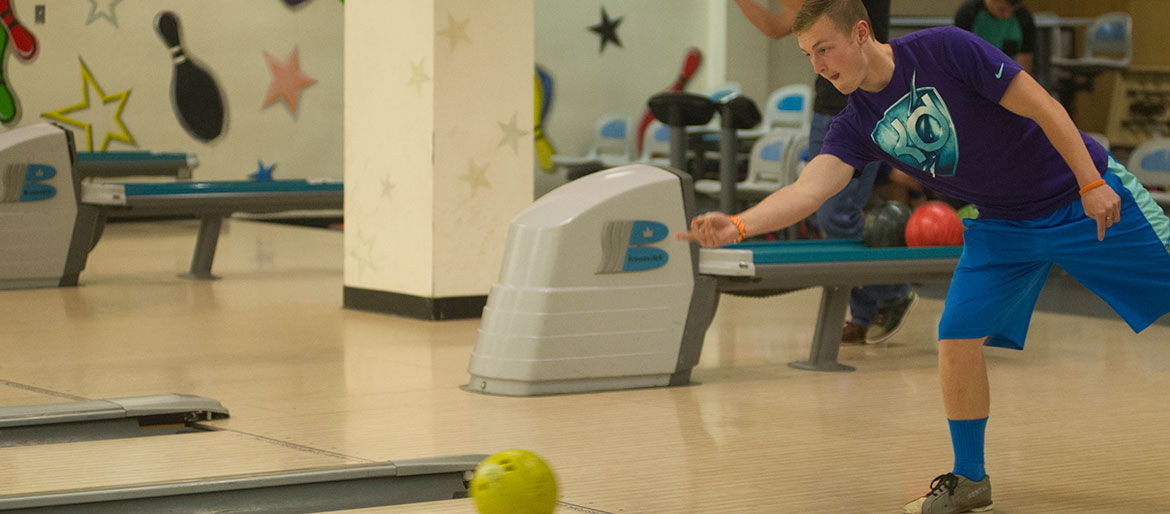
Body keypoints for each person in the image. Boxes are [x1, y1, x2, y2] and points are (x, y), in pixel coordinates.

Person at [678, 1, 1170, 512]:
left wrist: (1091, 182)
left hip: (1082, 199)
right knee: (956, 338)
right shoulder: (856, 123)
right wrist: (738, 224)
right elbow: (808, 192)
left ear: (862, 33)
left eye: (825, 48)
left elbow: (1044, 105)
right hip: (1004, 225)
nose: (818, 65)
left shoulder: (944, 49)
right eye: (808, 55)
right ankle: (969, 478)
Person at [734, 0, 918, 346]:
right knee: (831, 214)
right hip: (828, 106)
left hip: (866, 103)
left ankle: (893, 291)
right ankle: (867, 311)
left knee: (836, 213)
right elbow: (776, 27)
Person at [954, 0, 1036, 75]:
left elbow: (1024, 69)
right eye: (1002, 9)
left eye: (1013, 10)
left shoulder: (1024, 19)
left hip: (1008, 80)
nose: (1008, 15)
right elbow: (963, 60)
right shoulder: (968, 14)